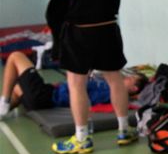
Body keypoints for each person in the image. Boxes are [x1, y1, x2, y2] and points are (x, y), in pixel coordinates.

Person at [48, 0, 137, 154]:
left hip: (81, 31)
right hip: (108, 28)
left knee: (76, 83)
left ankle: (82, 138)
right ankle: (124, 130)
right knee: (115, 79)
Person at [0, 51, 147, 122]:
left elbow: (88, 99)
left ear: (134, 88)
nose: (127, 77)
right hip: (45, 96)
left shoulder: (112, 93)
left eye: (131, 79)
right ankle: (3, 109)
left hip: (45, 97)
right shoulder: (110, 85)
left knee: (16, 56)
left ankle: (4, 102)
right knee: (17, 89)